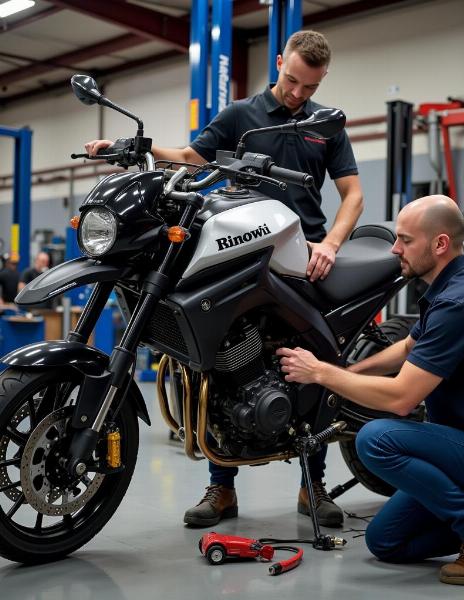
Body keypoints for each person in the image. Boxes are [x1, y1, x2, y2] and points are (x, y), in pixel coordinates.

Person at [85, 30, 364, 530]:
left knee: (316, 361)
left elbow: (353, 194)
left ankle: (313, 485)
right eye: (293, 81)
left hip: (303, 255)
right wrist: (133, 149)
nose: (299, 95)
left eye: (310, 86)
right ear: (280, 63)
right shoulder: (241, 115)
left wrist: (331, 245)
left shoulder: (326, 123)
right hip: (243, 248)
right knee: (223, 359)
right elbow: (195, 157)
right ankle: (222, 488)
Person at [277, 195, 464, 586]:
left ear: (439, 244)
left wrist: (322, 374)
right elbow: (408, 348)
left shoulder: (460, 301)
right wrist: (349, 368)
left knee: (376, 439)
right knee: (386, 540)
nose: (394, 249)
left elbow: (402, 399)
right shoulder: (453, 286)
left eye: (405, 240)